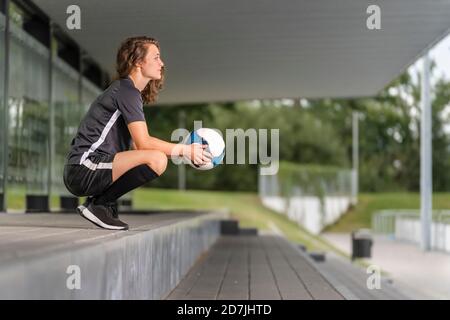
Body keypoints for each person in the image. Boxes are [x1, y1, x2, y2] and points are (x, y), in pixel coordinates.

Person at [63, 36, 211, 230]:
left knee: (154, 158)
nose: (162, 63)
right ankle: (99, 205)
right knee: (157, 160)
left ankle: (102, 204)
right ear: (138, 62)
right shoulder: (126, 91)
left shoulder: (129, 92)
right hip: (83, 168)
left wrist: (181, 151)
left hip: (86, 168)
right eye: (156, 57)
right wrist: (185, 150)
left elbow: (134, 147)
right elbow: (144, 144)